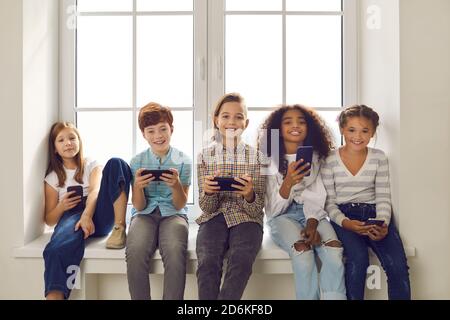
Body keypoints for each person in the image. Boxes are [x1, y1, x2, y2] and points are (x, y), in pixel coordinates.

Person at [322, 105, 411, 300]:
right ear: (342, 130)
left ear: (372, 133)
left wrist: (383, 224)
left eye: (365, 130)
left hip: (375, 216)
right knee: (358, 259)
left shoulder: (378, 158)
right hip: (343, 218)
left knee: (397, 264)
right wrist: (346, 223)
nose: (358, 136)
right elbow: (329, 203)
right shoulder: (330, 159)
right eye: (352, 130)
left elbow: (383, 197)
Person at [259, 104, 346, 300]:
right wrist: (288, 182)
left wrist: (312, 223)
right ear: (277, 130)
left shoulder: (317, 157)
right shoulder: (268, 160)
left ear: (309, 127)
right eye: (287, 122)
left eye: (301, 121)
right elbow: (273, 210)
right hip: (282, 217)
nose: (295, 125)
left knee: (333, 250)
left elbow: (317, 194)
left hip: (314, 214)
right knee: (303, 253)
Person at [43, 122, 130, 300]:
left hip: (97, 212)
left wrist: (86, 215)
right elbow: (49, 220)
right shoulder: (52, 178)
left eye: (72, 138)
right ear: (55, 149)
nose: (68, 143)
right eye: (61, 140)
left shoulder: (91, 164)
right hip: (71, 216)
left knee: (116, 163)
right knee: (54, 250)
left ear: (79, 141)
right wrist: (61, 207)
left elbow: (95, 191)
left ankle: (120, 228)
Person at [196, 93, 266, 300]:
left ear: (246, 122)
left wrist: (249, 194)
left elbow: (257, 207)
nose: (231, 122)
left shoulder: (258, 157)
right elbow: (206, 207)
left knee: (241, 260)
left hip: (247, 218)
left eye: (238, 117)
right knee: (208, 260)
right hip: (214, 216)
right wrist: (209, 191)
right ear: (216, 120)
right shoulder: (205, 156)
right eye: (225, 116)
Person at [126, 102, 192, 300]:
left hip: (174, 214)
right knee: (135, 251)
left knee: (174, 252)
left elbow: (180, 204)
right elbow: (138, 206)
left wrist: (176, 186)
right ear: (144, 134)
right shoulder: (136, 162)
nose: (158, 135)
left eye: (163, 129)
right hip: (144, 214)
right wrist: (137, 187)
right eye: (151, 131)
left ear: (171, 129)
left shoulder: (183, 160)